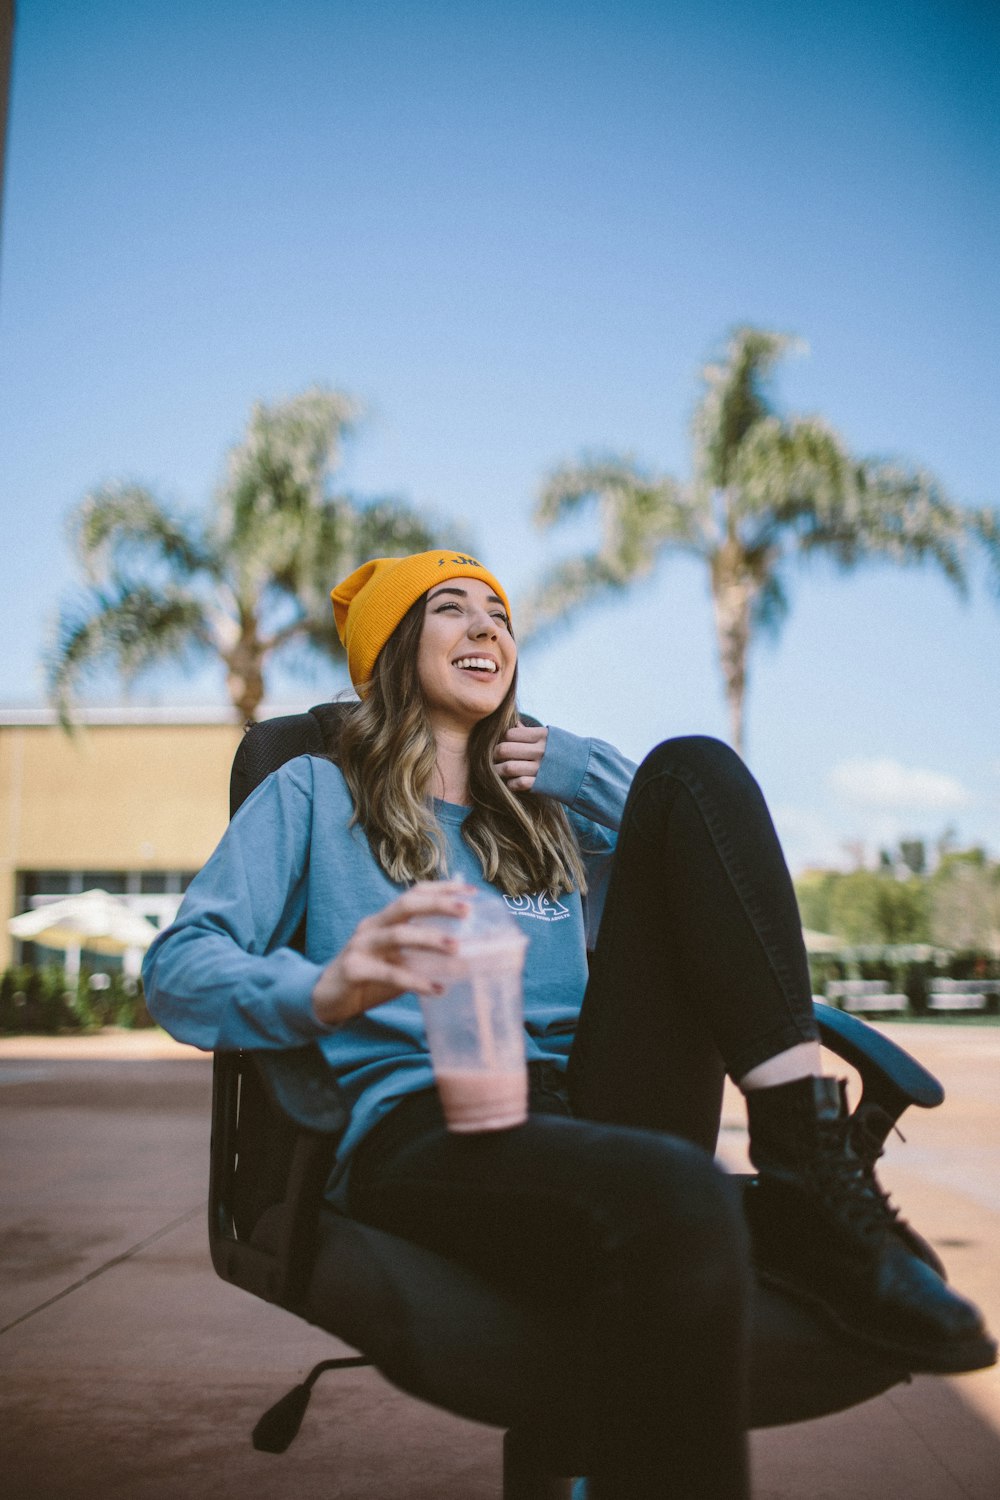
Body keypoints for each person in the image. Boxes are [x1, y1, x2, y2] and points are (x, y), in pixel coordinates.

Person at [143, 548, 995, 1498]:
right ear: (390, 648)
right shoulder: (311, 794)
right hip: (422, 1123)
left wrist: (587, 773)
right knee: (683, 1200)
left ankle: (804, 1169)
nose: (487, 629)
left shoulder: (552, 821)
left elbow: (725, 876)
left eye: (501, 617)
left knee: (695, 768)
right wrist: (326, 988)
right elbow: (177, 970)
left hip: (589, 1102)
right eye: (451, 610)